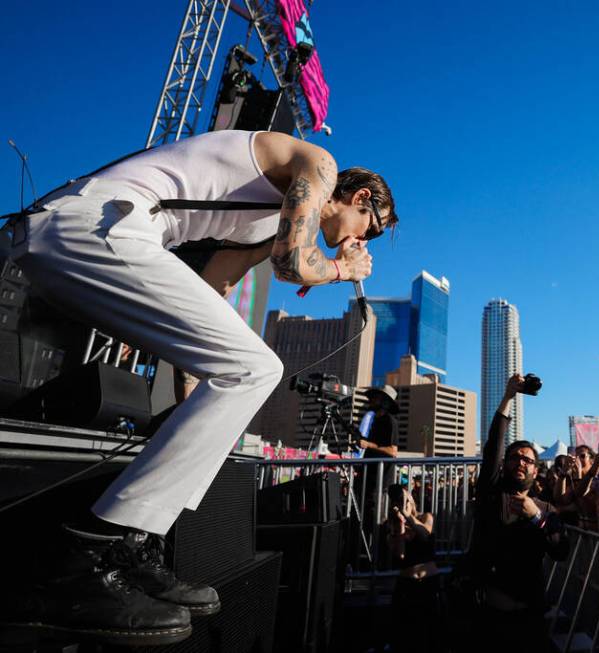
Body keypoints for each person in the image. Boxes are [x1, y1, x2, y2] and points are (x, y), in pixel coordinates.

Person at [1, 130, 396, 645]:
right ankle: (86, 553)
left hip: (76, 235)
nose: (364, 241)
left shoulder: (259, 227)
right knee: (258, 368)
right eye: (372, 228)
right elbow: (290, 261)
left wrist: (192, 392)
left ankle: (130, 546)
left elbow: (215, 289)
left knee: (242, 369)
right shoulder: (318, 164)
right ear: (361, 198)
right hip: (95, 224)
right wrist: (344, 268)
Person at [469, 374, 568, 653]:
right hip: (490, 616)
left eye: (528, 459)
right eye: (514, 457)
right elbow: (493, 447)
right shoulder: (492, 494)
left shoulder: (547, 510)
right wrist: (508, 396)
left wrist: (536, 516)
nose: (520, 462)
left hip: (530, 617)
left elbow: (561, 551)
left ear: (536, 470)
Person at [386, 485, 440, 653]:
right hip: (407, 587)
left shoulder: (426, 517)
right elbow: (400, 555)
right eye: (400, 501)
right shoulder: (392, 525)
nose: (404, 503)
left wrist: (409, 516)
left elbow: (426, 533)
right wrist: (400, 525)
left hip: (429, 584)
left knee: (431, 636)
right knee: (406, 638)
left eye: (406, 498)